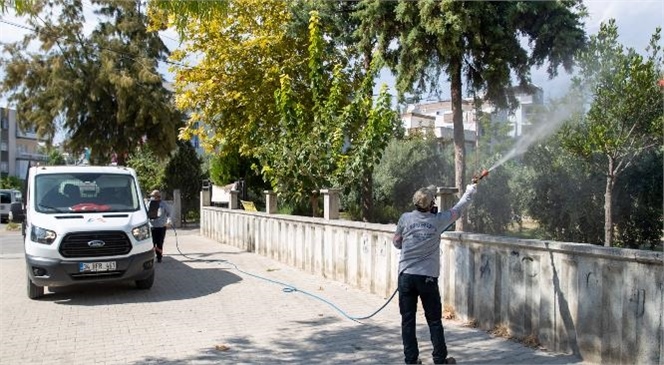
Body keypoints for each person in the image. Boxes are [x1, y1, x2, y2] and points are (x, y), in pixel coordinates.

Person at [393, 183, 477, 365]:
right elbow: (458, 209)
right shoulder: (438, 220)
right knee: (434, 320)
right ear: (431, 204)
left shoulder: (405, 218)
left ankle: (411, 360)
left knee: (408, 320)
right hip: (428, 278)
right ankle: (440, 359)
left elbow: (397, 242)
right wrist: (470, 191)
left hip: (406, 276)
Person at [148, 190, 172, 263]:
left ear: (158, 197)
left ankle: (159, 257)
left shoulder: (163, 204)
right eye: (152, 196)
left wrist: (169, 221)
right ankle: (151, 257)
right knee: (151, 243)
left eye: (154, 196)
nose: (153, 198)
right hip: (152, 226)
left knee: (159, 242)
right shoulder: (149, 204)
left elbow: (169, 213)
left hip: (161, 227)